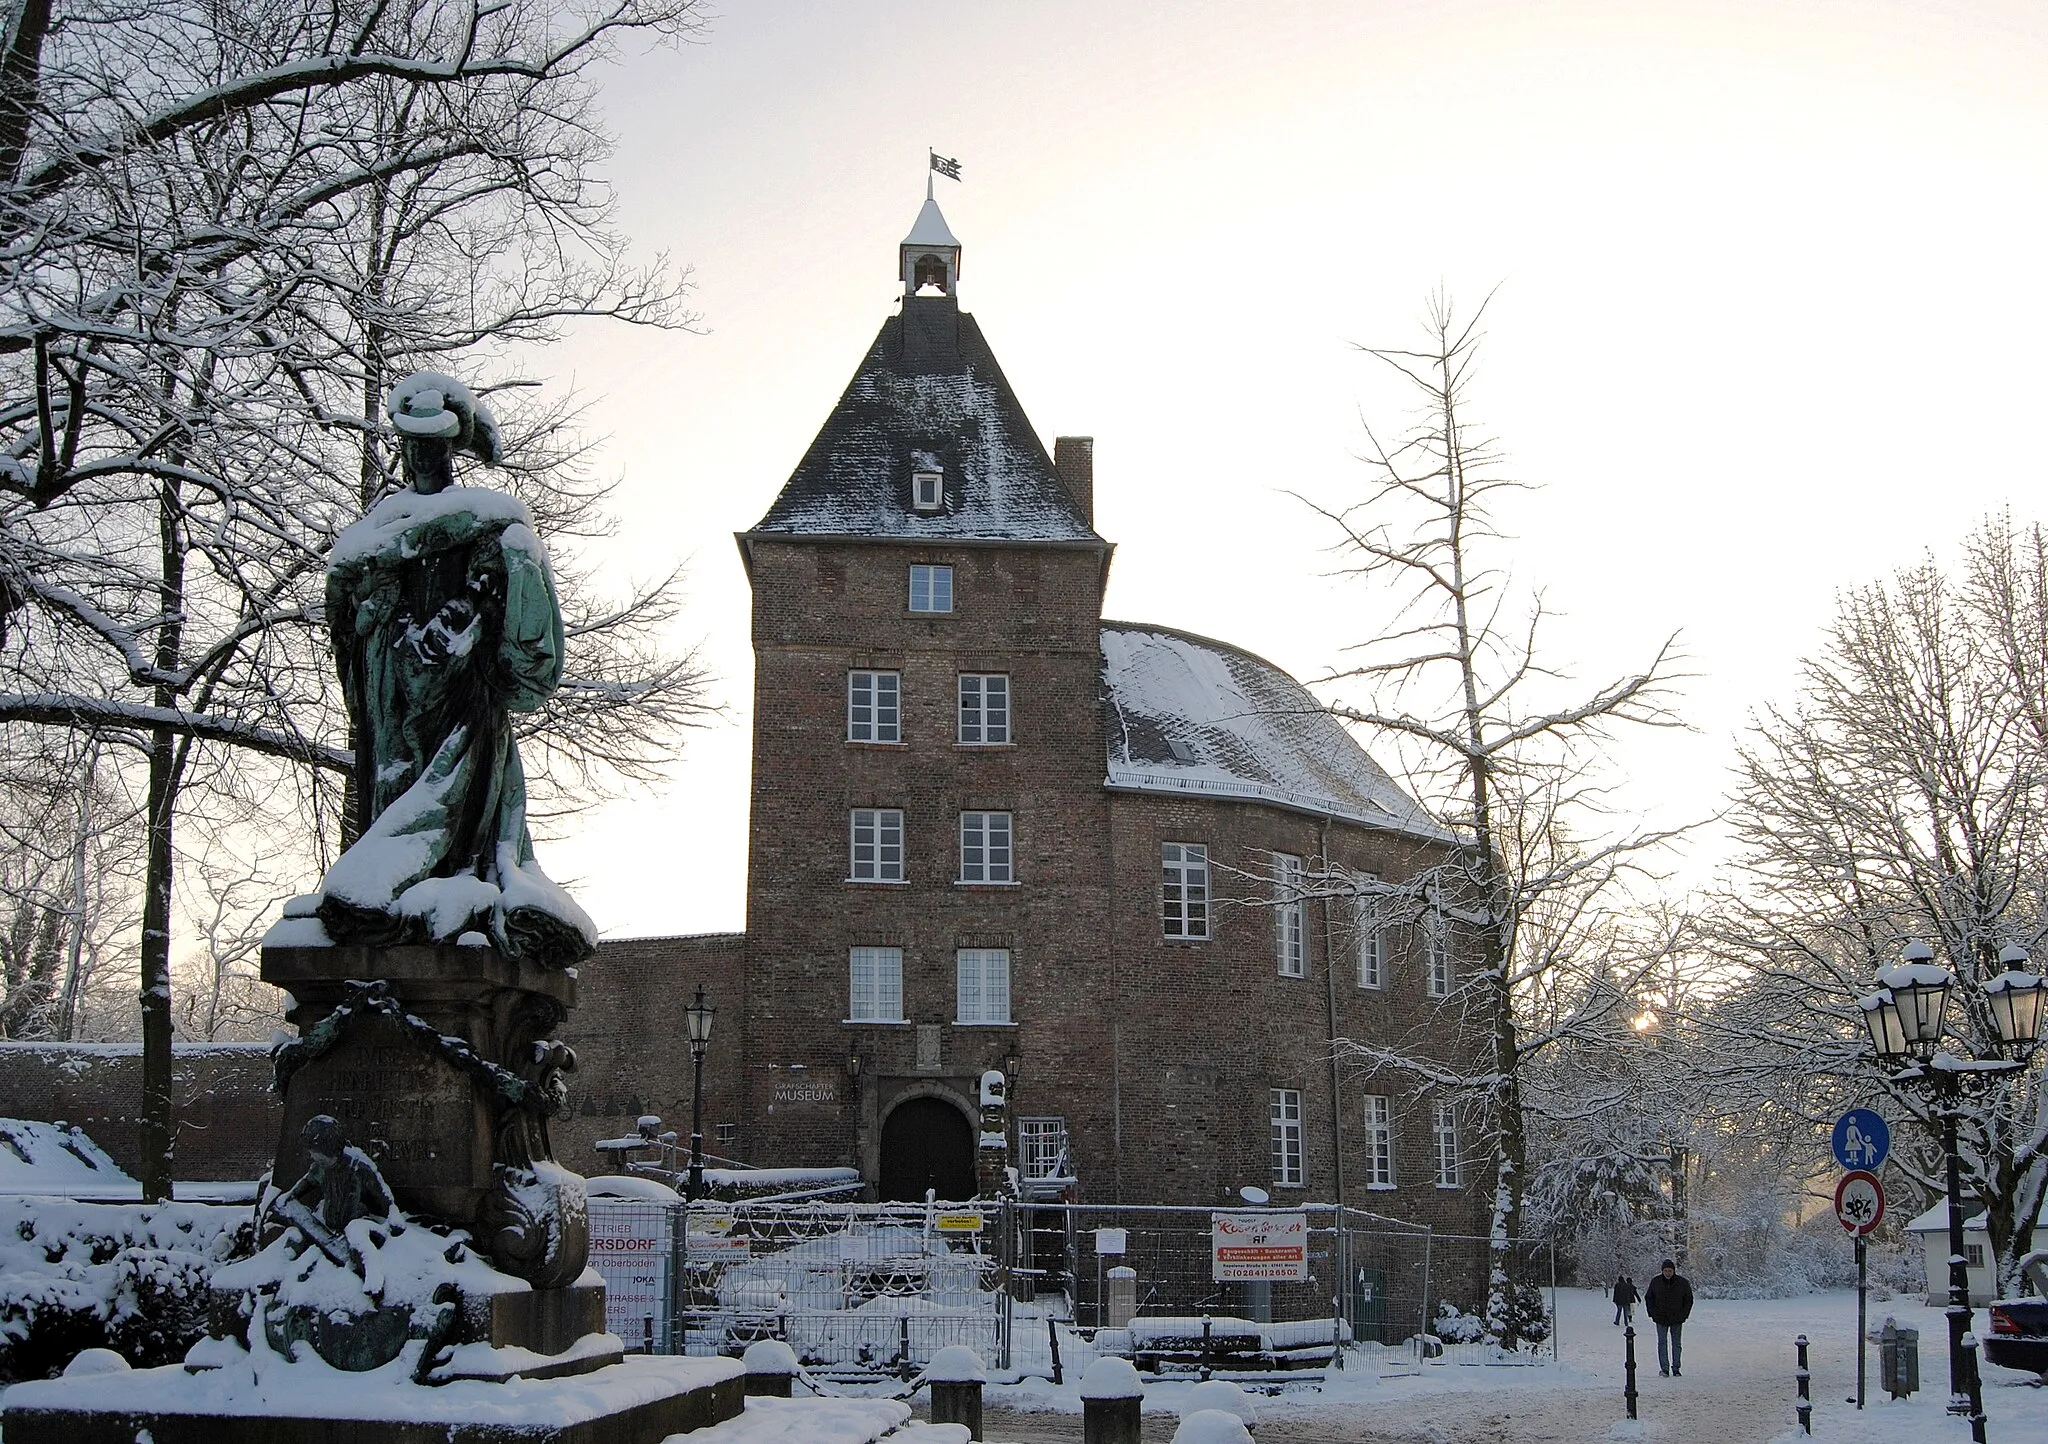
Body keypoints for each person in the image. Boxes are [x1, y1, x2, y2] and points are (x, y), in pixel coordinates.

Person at [1644, 1257, 1694, 1375]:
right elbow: (1649, 1298)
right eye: (1665, 1270)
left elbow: (1688, 1300)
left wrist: (1684, 1315)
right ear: (1662, 1271)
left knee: (1676, 1344)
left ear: (1674, 1271)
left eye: (1669, 1271)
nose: (1668, 1273)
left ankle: (1676, 1368)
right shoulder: (1655, 1282)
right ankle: (1665, 1368)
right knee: (1662, 1343)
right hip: (1660, 1318)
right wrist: (1653, 1314)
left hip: (1677, 1318)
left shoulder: (1682, 1282)